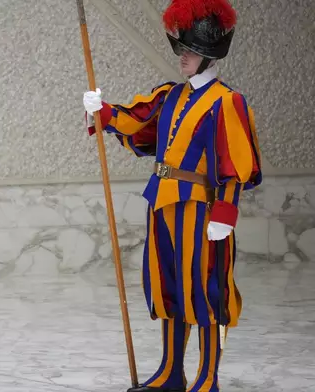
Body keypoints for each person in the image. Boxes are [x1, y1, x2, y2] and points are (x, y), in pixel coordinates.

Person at [82, 1, 262, 391]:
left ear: (209, 56)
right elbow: (140, 121)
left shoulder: (226, 102)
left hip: (202, 209)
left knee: (206, 290)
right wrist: (105, 112)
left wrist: (225, 212)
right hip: (162, 204)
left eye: (190, 51)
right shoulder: (172, 95)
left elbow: (236, 162)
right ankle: (169, 373)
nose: (182, 57)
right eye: (182, 49)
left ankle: (207, 378)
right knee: (169, 287)